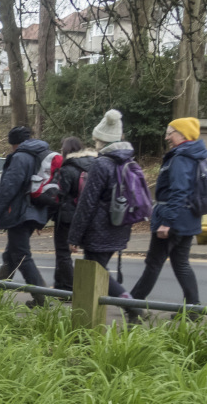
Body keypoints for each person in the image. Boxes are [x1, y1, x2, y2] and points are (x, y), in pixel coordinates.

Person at [67, 109, 143, 322]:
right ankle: (120, 309)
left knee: (96, 273)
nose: (94, 143)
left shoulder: (102, 164)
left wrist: (74, 237)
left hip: (99, 230)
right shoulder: (128, 161)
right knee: (99, 272)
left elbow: (87, 203)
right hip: (119, 226)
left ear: (102, 140)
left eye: (96, 140)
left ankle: (129, 306)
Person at [130, 117, 206, 318]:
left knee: (153, 263)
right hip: (189, 218)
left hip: (172, 220)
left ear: (181, 134)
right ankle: (193, 309)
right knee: (181, 264)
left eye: (170, 132)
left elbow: (179, 191)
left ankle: (131, 304)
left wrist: (167, 222)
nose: (167, 137)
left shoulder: (180, 157)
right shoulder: (195, 156)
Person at [0, 126, 50, 307]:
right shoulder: (40, 154)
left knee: (21, 256)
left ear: (14, 143)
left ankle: (42, 299)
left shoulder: (20, 157)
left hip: (20, 214)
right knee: (12, 255)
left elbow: (9, 187)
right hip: (34, 212)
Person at [53, 137, 96, 292]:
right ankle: (60, 287)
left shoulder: (67, 168)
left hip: (67, 217)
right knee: (90, 253)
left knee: (63, 253)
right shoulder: (94, 165)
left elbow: (60, 194)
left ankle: (71, 288)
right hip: (88, 215)